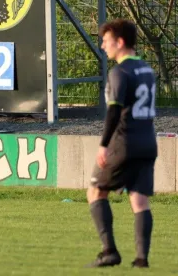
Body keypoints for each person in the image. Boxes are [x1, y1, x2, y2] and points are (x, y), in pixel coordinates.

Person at [86, 19, 157, 268]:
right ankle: (141, 260)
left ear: (120, 42)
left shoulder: (119, 72)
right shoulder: (147, 70)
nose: (103, 46)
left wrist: (103, 145)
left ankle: (109, 251)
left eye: (106, 41)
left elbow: (114, 112)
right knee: (139, 201)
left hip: (124, 143)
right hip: (148, 143)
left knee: (95, 191)